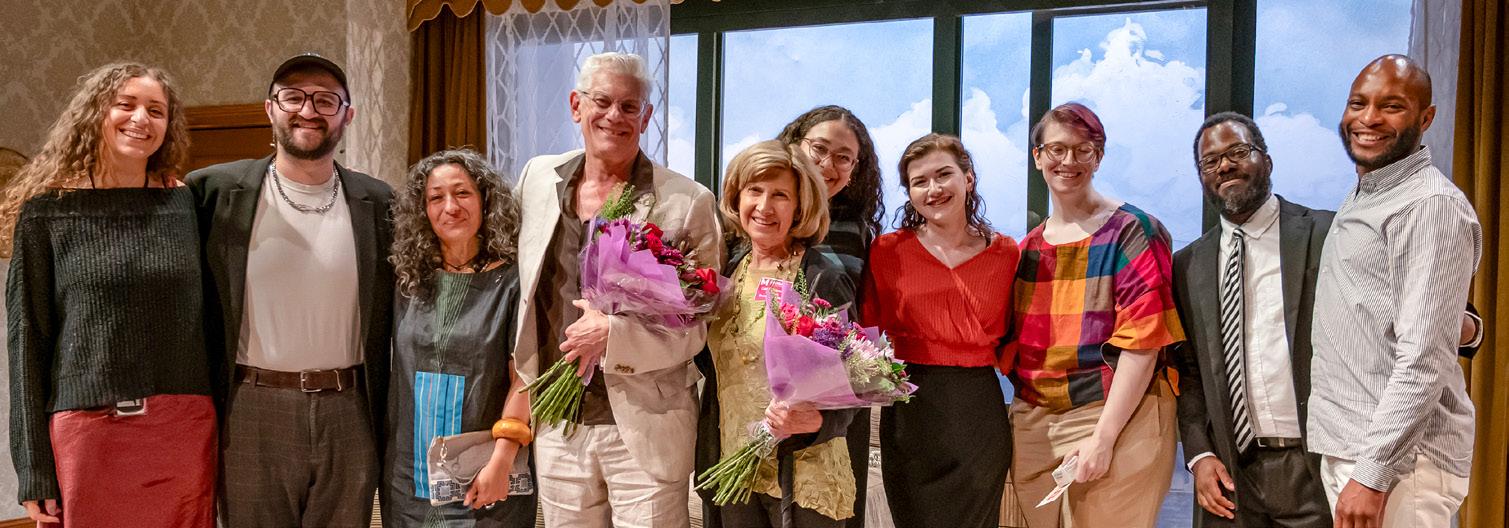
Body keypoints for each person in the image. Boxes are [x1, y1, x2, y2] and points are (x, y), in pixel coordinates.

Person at [1171, 112, 1484, 528]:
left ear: (1267, 161)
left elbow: (1441, 310)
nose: (1225, 166)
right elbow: (1188, 371)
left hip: (1321, 461)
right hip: (1232, 474)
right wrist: (1199, 454)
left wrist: (1456, 326)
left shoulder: (1330, 232)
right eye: (1210, 161)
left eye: (1238, 152)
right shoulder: (1187, 265)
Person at [512, 51, 722, 528]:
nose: (614, 116)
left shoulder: (688, 202)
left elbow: (698, 326)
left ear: (646, 117)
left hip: (647, 422)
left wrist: (614, 334)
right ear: (576, 105)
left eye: (630, 107)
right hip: (557, 421)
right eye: (602, 101)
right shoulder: (536, 180)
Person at [3, 62, 216, 527]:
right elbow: (27, 342)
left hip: (182, 426)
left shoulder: (185, 205)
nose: (141, 119)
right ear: (96, 112)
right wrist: (33, 469)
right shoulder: (46, 214)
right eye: (126, 104)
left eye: (156, 110)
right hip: (87, 431)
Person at [186, 53, 395, 527]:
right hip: (252, 409)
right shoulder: (212, 192)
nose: (308, 110)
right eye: (293, 97)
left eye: (325, 100)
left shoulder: (379, 202)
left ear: (347, 115)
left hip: (350, 409)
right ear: (270, 108)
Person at [1307, 54, 1480, 528]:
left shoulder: (1429, 205)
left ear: (1426, 118)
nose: (1368, 119)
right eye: (1358, 103)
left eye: (1392, 106)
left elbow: (1424, 358)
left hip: (1399, 466)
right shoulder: (1370, 191)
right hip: (1356, 451)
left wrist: (1374, 473)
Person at [1007, 102, 1185, 527]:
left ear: (1098, 157)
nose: (1068, 161)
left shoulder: (1133, 230)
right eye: (1057, 149)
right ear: (1038, 157)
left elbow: (1143, 341)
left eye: (1082, 150)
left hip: (1117, 415)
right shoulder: (1028, 248)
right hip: (1036, 422)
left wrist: (1104, 438)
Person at [697, 140, 857, 527]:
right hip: (734, 469)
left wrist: (818, 422)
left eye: (780, 195)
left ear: (800, 206)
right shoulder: (727, 270)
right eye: (755, 190)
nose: (765, 207)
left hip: (803, 475)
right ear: (736, 197)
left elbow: (856, 380)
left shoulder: (822, 277)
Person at [864, 134, 1016, 528]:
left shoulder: (1006, 253)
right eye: (920, 181)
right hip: (910, 410)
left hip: (978, 411)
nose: (933, 189)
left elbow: (1018, 336)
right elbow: (864, 333)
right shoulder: (886, 251)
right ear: (910, 193)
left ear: (968, 178)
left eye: (943, 175)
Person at [380, 148, 536, 527]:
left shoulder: (513, 282)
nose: (450, 207)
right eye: (436, 197)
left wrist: (501, 460)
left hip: (487, 476)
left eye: (463, 193)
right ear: (423, 210)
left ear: (486, 200)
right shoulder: (407, 281)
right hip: (408, 479)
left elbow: (526, 376)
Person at [775, 105, 882, 528]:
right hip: (760, 394)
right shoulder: (759, 214)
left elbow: (859, 317)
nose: (827, 164)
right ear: (794, 146)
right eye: (818, 148)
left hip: (837, 402)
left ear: (855, 170)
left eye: (843, 157)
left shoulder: (859, 231)